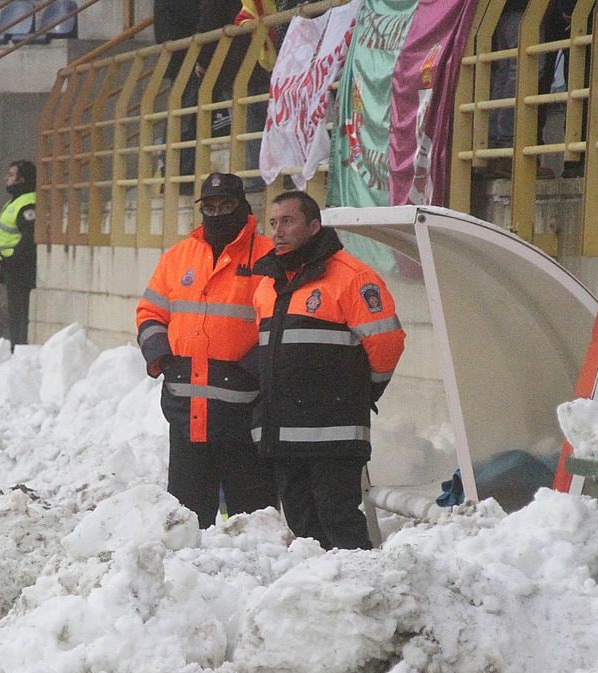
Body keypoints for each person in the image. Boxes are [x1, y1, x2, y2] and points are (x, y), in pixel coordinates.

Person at [251, 191, 406, 550]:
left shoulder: (353, 277)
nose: (277, 231)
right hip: (285, 433)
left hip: (333, 433)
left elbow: (387, 344)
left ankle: (359, 590)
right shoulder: (267, 284)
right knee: (303, 523)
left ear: (315, 225)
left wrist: (360, 391)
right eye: (273, 223)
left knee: (338, 517)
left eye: (288, 221)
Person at [136, 172, 277, 529]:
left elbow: (280, 325)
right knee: (186, 523)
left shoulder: (268, 257)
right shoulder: (178, 257)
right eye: (210, 206)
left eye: (226, 205)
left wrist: (254, 368)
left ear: (243, 206)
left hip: (244, 413)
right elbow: (150, 312)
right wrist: (164, 358)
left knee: (250, 521)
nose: (217, 213)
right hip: (185, 412)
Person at [0, 160, 37, 348]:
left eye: (12, 175)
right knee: (15, 311)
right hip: (11, 265)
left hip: (20, 266)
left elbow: (28, 238)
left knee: (20, 312)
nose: (7, 179)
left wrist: (12, 260)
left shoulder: (27, 204)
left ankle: (18, 349)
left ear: (22, 180)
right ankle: (16, 348)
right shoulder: (15, 202)